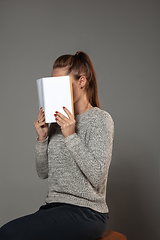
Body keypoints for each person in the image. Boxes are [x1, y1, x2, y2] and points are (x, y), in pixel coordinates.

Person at [0, 51, 114, 240]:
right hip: (53, 208)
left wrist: (71, 137)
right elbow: (43, 172)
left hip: (87, 212)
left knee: (7, 234)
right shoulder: (55, 122)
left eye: (61, 84)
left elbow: (98, 177)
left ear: (82, 81)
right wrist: (42, 138)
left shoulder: (100, 120)